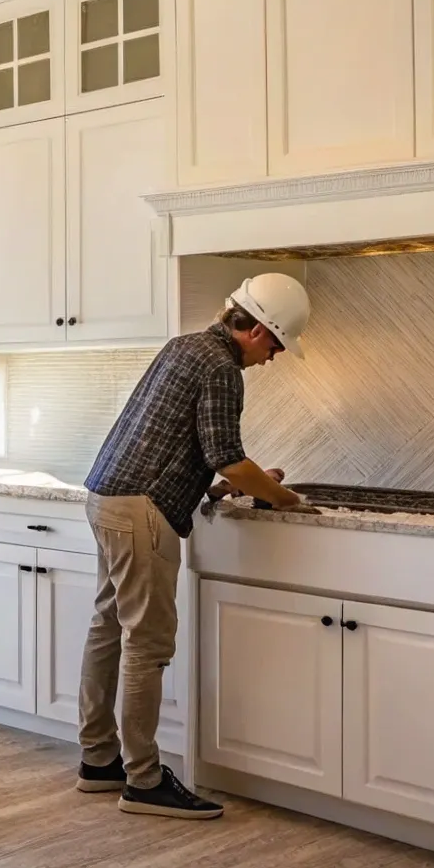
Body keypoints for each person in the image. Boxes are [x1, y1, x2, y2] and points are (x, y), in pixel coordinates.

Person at [74, 272, 318, 819]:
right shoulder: (221, 368)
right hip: (141, 513)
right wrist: (284, 498)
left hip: (107, 498)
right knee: (148, 645)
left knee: (108, 628)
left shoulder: (184, 346)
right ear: (255, 330)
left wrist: (222, 487)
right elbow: (227, 454)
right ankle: (142, 779)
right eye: (276, 345)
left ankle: (97, 760)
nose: (274, 357)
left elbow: (178, 449)